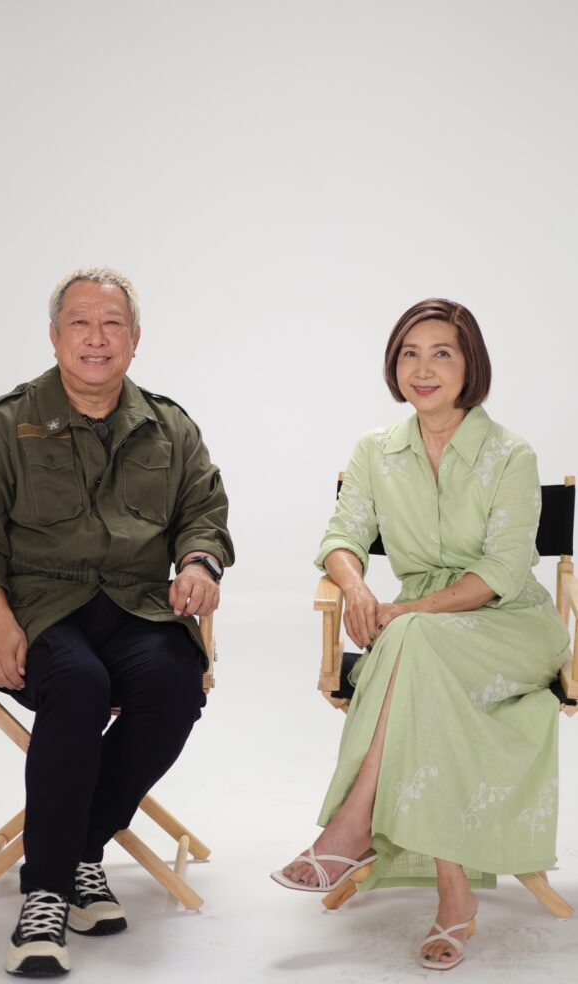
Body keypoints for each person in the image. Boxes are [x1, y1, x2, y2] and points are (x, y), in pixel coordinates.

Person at [0, 266, 234, 978]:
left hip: (135, 604)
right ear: (54, 336)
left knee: (176, 685)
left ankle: (77, 851)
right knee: (78, 687)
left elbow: (203, 511)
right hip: (34, 607)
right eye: (80, 323)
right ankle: (45, 896)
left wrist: (199, 563)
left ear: (135, 338)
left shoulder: (169, 426)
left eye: (111, 325)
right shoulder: (2, 424)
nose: (96, 339)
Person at [271, 299, 569, 971]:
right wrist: (356, 588)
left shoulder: (510, 454)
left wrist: (409, 611)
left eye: (442, 353)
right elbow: (340, 537)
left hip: (510, 625)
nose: (423, 368)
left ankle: (352, 828)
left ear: (470, 365)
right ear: (393, 364)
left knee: (411, 641)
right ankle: (452, 896)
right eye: (410, 353)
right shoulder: (375, 450)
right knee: (418, 657)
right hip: (421, 634)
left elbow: (501, 571)